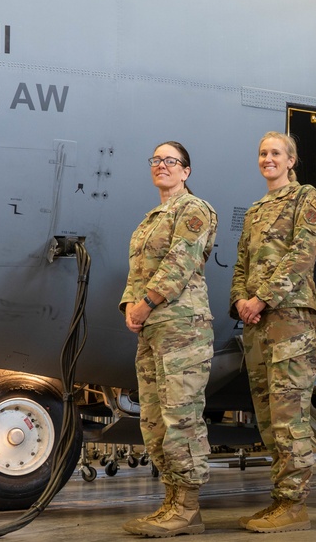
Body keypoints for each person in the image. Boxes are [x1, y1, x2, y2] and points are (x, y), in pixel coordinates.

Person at [120, 141, 218, 538]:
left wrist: (144, 303)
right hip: (153, 327)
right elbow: (136, 271)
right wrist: (131, 305)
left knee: (182, 416)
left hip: (183, 325)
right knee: (154, 419)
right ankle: (171, 502)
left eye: (170, 161)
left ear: (186, 171)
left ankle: (189, 509)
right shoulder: (149, 219)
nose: (162, 165)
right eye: (156, 160)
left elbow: (181, 261)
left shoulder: (193, 209)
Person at [230, 132, 316, 533]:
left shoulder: (306, 197)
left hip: (291, 318)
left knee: (290, 416)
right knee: (269, 418)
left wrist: (262, 298)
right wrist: (240, 301)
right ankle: (279, 500)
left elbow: (303, 253)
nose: (267, 159)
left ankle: (294, 505)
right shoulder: (255, 211)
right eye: (262, 154)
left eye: (275, 154)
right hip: (257, 324)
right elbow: (240, 265)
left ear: (291, 161)